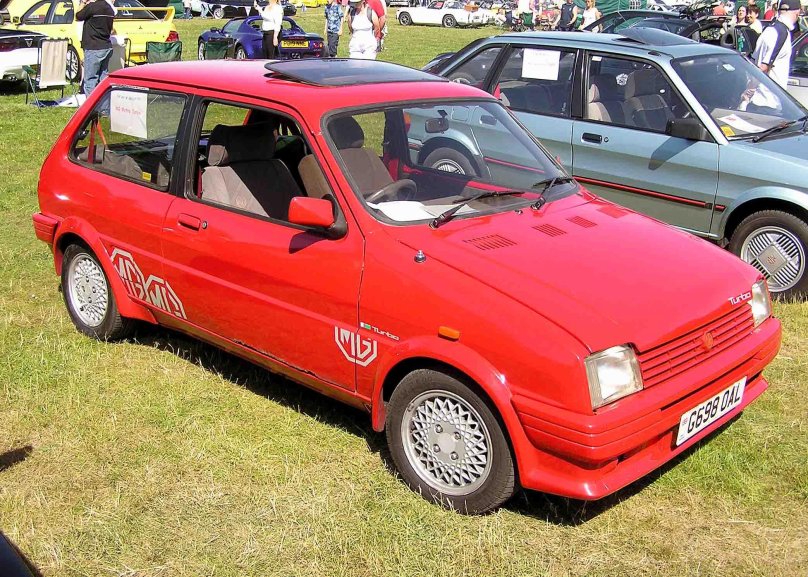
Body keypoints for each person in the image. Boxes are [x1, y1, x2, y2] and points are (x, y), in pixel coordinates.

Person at [751, 0, 800, 88]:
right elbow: (763, 67)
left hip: (765, 97)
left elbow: (754, 61)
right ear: (797, 13)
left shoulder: (771, 29)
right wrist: (747, 94)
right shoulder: (781, 33)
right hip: (767, 98)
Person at [76, 0, 115, 96]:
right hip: (106, 46)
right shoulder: (109, 9)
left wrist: (82, 2)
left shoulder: (92, 7)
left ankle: (91, 109)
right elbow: (112, 29)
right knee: (103, 79)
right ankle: (105, 107)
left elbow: (77, 16)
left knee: (90, 80)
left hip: (93, 47)